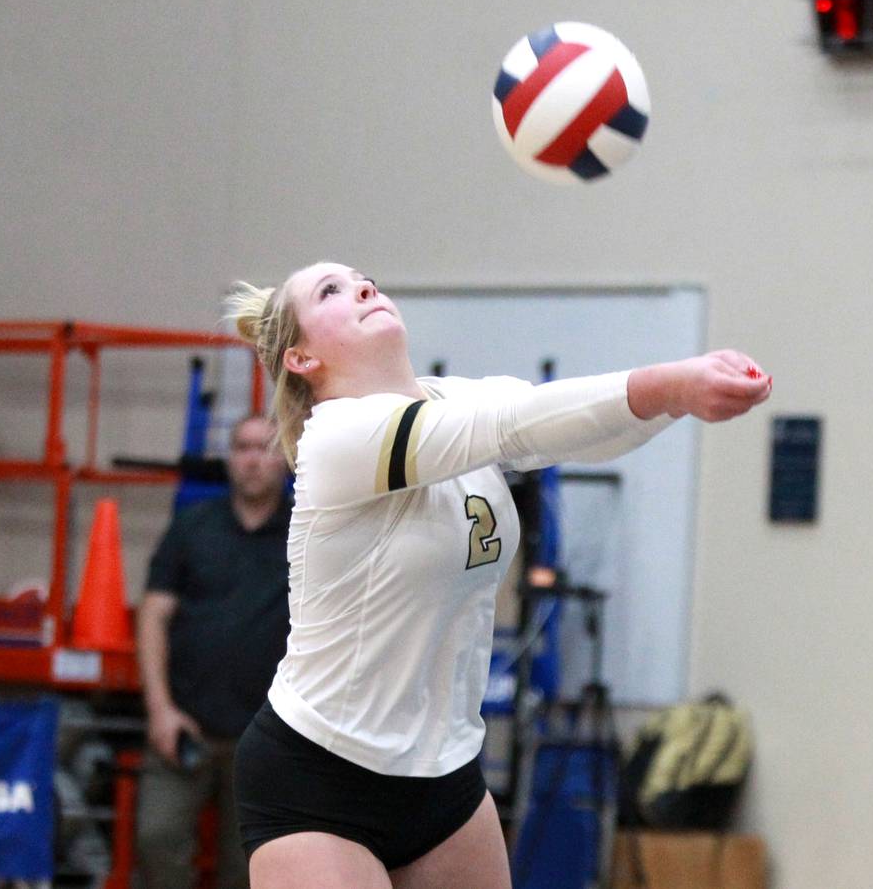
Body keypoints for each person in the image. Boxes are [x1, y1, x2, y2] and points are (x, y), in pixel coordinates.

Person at [228, 262, 772, 889]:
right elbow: (512, 424)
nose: (364, 289)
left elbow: (557, 429)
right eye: (330, 291)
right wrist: (671, 384)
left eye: (364, 279)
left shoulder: (450, 399)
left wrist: (679, 401)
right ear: (300, 358)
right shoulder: (337, 438)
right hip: (318, 778)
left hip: (445, 773)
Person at [135, 414, 292, 889]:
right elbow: (153, 616)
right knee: (156, 839)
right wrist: (160, 710)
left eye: (265, 448)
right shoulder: (191, 527)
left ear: (285, 460)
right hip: (184, 727)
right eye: (242, 448)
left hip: (267, 739)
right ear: (229, 458)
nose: (252, 459)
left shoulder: (306, 533)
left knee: (251, 867)